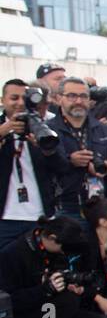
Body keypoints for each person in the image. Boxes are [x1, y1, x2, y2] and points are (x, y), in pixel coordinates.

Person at [0, 216, 107, 318]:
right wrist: (45, 289)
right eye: (63, 249)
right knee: (65, 301)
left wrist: (73, 286)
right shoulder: (13, 254)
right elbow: (9, 301)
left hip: (47, 312)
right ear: (52, 238)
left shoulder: (55, 250)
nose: (64, 253)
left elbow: (63, 277)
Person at [49, 77, 107, 221]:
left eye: (83, 96)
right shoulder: (49, 130)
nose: (79, 101)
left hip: (102, 207)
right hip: (65, 207)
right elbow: (42, 168)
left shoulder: (104, 130)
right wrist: (70, 161)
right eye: (72, 96)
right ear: (59, 98)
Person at [0, 78, 60, 251]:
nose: (19, 103)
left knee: (35, 272)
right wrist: (5, 131)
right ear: (3, 100)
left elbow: (61, 167)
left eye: (23, 98)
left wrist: (45, 147)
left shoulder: (43, 127)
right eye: (14, 98)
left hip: (39, 216)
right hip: (5, 217)